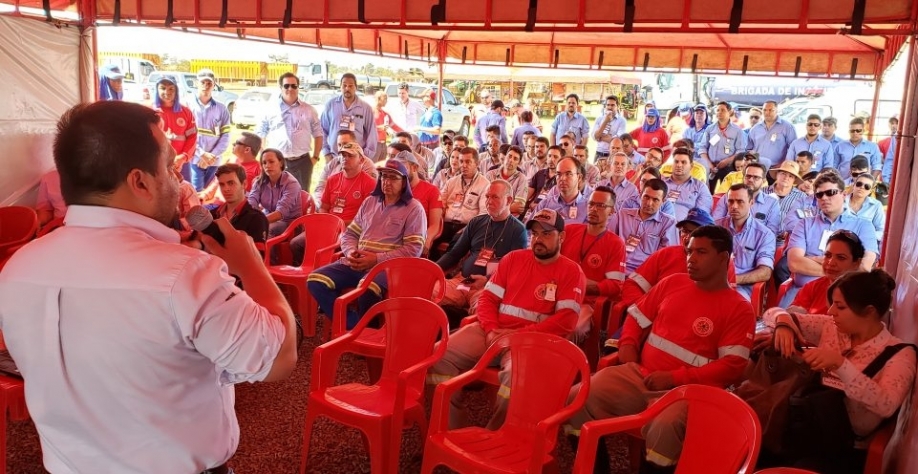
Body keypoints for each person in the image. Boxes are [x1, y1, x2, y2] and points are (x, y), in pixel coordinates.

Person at [0, 100, 297, 473]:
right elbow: (279, 357)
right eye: (171, 165)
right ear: (139, 181)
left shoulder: (18, 269)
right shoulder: (184, 275)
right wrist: (252, 266)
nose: (178, 178)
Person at [567, 225, 755, 473]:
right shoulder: (673, 283)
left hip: (689, 392)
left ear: (723, 258)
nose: (691, 259)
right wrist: (628, 345)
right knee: (576, 398)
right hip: (641, 375)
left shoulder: (739, 308)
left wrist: (675, 378)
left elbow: (732, 366)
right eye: (689, 251)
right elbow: (636, 317)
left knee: (663, 429)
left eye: (701, 252)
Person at [427, 208, 586, 430]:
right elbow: (487, 300)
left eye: (547, 234)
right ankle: (451, 431)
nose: (538, 240)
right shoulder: (513, 259)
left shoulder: (571, 271)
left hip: (531, 341)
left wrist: (516, 336)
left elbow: (565, 321)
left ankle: (497, 437)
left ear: (562, 237)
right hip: (491, 332)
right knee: (438, 355)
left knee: (515, 379)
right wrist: (492, 329)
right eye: (536, 234)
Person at [762, 269, 916, 473]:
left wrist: (841, 365)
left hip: (844, 449)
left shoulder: (900, 354)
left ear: (869, 311)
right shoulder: (832, 328)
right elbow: (771, 313)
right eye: (833, 303)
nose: (831, 311)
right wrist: (783, 323)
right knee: (758, 448)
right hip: (805, 427)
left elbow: (886, 405)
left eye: (840, 306)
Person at [306, 159, 427, 330]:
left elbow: (413, 250)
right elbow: (350, 233)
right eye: (384, 176)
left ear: (404, 182)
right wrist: (350, 252)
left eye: (393, 178)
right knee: (315, 280)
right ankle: (353, 325)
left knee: (367, 288)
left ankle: (366, 332)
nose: (386, 181)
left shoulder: (414, 208)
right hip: (356, 262)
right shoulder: (370, 202)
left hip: (388, 268)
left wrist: (376, 259)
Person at [436, 180, 528, 322]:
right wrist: (433, 270)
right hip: (464, 281)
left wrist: (487, 281)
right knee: (428, 292)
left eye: (495, 197)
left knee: (483, 314)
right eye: (487, 197)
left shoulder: (518, 230)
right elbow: (454, 254)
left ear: (509, 200)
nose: (489, 201)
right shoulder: (477, 222)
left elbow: (515, 272)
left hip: (489, 288)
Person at [782, 173, 878, 306]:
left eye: (830, 193)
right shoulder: (804, 224)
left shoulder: (864, 226)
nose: (824, 198)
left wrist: (811, 259)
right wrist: (841, 267)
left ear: (844, 194)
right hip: (801, 292)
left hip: (844, 296)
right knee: (780, 320)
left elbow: (863, 267)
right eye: (819, 195)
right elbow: (795, 263)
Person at [560, 186, 627, 341]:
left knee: (572, 329)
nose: (594, 209)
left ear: (612, 211)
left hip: (586, 303)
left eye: (601, 206)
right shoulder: (569, 231)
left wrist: (581, 285)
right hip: (556, 295)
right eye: (591, 204)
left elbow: (615, 285)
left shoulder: (615, 244)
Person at [256, 73, 323, 192]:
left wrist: (315, 157)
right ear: (280, 87)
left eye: (294, 86)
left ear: (298, 87)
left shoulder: (309, 110)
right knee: (276, 196)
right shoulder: (270, 109)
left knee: (301, 199)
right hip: (277, 162)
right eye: (286, 86)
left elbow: (318, 134)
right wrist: (263, 156)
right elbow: (261, 133)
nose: (290, 89)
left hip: (302, 163)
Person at [715, 184, 775, 300]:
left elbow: (765, 272)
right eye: (730, 201)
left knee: (729, 302)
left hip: (741, 287)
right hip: (711, 281)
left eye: (740, 201)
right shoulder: (716, 227)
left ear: (751, 203)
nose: (734, 206)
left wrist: (732, 279)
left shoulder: (764, 235)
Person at [609, 178, 678, 272]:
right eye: (646, 197)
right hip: (616, 267)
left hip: (645, 274)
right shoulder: (622, 215)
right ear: (640, 195)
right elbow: (608, 241)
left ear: (663, 201)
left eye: (655, 200)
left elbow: (666, 258)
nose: (649, 203)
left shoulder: (668, 223)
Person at [433, 147, 491, 259]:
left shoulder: (485, 184)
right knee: (429, 239)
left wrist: (468, 228)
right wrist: (438, 219)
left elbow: (483, 213)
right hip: (447, 223)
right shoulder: (451, 182)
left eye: (468, 162)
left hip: (467, 226)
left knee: (455, 246)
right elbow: (440, 203)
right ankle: (431, 269)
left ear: (477, 163)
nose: (464, 165)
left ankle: (444, 270)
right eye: (461, 161)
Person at [319, 73, 377, 168]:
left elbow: (372, 134)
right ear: (340, 86)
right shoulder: (331, 105)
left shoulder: (365, 108)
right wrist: (326, 153)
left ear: (356, 87)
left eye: (350, 86)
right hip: (334, 158)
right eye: (344, 85)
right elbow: (322, 130)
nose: (347, 88)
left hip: (357, 161)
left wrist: (364, 157)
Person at [188, 68, 231, 192]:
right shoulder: (187, 105)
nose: (206, 86)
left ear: (213, 85)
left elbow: (225, 136)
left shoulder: (222, 109)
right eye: (202, 83)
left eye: (209, 83)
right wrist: (201, 154)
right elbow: (186, 136)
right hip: (194, 160)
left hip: (214, 161)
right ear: (197, 83)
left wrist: (212, 156)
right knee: (195, 193)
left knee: (209, 195)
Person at [393, 150, 444, 256]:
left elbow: (435, 224)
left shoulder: (431, 190)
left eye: (404, 168)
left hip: (416, 238)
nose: (400, 173)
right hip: (394, 238)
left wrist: (427, 240)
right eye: (398, 169)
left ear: (414, 168)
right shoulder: (395, 189)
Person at [712, 162, 781, 236]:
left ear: (763, 180)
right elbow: (715, 222)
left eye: (756, 177)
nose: (751, 180)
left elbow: (771, 233)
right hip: (728, 240)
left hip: (755, 244)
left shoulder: (771, 203)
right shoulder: (728, 196)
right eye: (748, 176)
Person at [247, 148, 302, 238]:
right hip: (267, 216)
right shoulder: (260, 181)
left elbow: (281, 213)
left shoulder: (291, 183)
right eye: (264, 163)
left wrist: (258, 221)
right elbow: (252, 201)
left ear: (281, 163)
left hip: (289, 222)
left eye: (271, 162)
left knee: (264, 230)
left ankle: (266, 252)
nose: (267, 166)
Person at [208, 163, 269, 245]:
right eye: (222, 184)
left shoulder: (257, 218)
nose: (226, 189)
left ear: (244, 184)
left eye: (231, 183)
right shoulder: (212, 214)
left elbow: (257, 256)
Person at [311, 130, 378, 204]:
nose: (342, 148)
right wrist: (320, 205)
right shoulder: (333, 163)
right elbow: (320, 188)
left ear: (355, 144)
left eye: (345, 144)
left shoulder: (367, 166)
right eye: (339, 145)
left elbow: (368, 199)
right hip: (329, 207)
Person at [154, 76, 197, 177]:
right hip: (156, 163)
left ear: (176, 91)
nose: (167, 92)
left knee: (184, 190)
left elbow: (192, 137)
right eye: (163, 88)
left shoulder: (186, 112)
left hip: (181, 163)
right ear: (157, 89)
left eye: (171, 88)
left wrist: (183, 157)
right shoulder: (150, 111)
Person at [700, 101, 747, 186]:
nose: (719, 112)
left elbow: (740, 150)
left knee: (726, 193)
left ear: (730, 112)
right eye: (717, 110)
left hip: (728, 167)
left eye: (722, 110)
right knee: (710, 192)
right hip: (711, 167)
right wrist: (709, 164)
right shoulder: (710, 129)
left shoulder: (737, 130)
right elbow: (702, 148)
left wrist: (727, 161)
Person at [533, 157, 590, 226]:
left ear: (579, 177)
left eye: (568, 174)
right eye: (559, 174)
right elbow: (528, 231)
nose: (562, 178)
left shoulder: (588, 209)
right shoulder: (545, 204)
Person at [663, 147, 713, 221]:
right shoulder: (661, 183)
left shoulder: (700, 187)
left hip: (684, 228)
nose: (679, 165)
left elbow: (701, 216)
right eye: (676, 162)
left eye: (683, 162)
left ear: (691, 166)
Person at [745, 100, 797, 169]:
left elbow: (793, 149)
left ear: (777, 111)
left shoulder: (787, 127)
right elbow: (748, 149)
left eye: (770, 110)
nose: (767, 112)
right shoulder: (755, 129)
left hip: (777, 168)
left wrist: (784, 164)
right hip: (758, 168)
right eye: (764, 110)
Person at [485, 145, 529, 217]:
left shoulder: (522, 179)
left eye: (515, 159)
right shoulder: (490, 174)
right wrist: (511, 207)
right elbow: (484, 201)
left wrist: (494, 206)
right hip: (488, 216)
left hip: (509, 219)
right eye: (509, 156)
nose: (511, 160)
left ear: (519, 163)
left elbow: (518, 207)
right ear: (505, 157)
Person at [846, 172, 885, 247]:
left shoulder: (876, 206)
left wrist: (864, 236)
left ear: (870, 190)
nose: (862, 187)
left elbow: (881, 231)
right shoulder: (841, 201)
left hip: (864, 246)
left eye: (867, 186)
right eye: (859, 184)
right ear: (854, 185)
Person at [592, 95, 628, 161]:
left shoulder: (622, 121)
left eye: (612, 105)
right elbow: (595, 136)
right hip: (599, 153)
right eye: (608, 105)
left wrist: (600, 137)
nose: (610, 107)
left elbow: (618, 140)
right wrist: (606, 121)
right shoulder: (599, 119)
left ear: (617, 106)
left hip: (612, 154)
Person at [372, 90, 402, 162]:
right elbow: (366, 127)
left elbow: (393, 125)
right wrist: (380, 127)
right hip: (374, 144)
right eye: (384, 98)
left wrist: (406, 133)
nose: (386, 101)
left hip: (383, 145)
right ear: (378, 99)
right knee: (372, 167)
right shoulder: (370, 111)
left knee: (380, 168)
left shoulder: (385, 114)